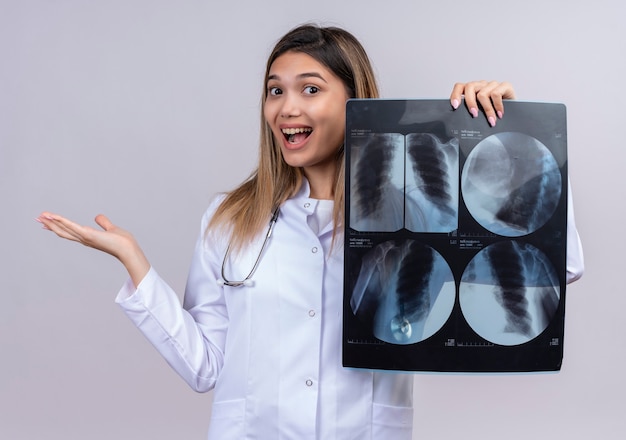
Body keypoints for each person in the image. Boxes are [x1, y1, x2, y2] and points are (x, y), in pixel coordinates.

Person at [37, 24, 584, 439]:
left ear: (355, 101)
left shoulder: (417, 213)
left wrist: (511, 136)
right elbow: (205, 368)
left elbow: (558, 266)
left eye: (310, 88)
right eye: (275, 91)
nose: (286, 108)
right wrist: (135, 263)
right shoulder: (229, 219)